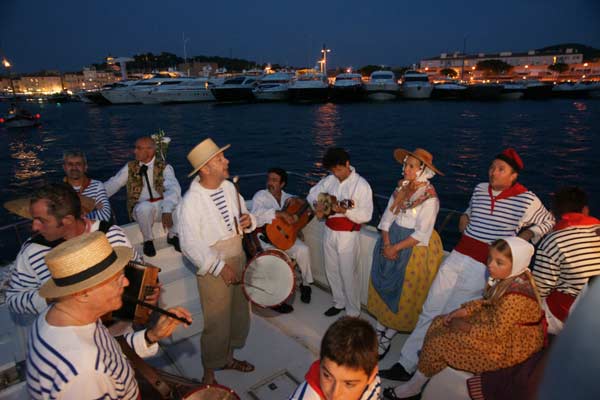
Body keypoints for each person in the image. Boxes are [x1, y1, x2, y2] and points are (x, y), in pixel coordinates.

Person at [380, 148, 554, 381]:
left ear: (513, 176)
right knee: (431, 307)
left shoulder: (527, 198)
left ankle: (425, 366)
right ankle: (406, 362)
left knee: (449, 314)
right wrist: (465, 215)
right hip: (459, 254)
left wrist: (525, 237)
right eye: (492, 167)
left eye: (501, 169)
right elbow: (472, 209)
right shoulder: (480, 188)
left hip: (484, 264)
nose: (493, 172)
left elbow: (548, 221)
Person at [26, 231, 192, 400]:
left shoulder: (58, 315)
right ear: (83, 294)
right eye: (117, 278)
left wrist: (151, 335)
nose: (126, 282)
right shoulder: (84, 373)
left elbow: (110, 355)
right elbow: (96, 365)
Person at [383, 237, 545, 399]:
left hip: (508, 346)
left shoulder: (515, 297)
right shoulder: (508, 280)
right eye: (490, 258)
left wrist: (465, 327)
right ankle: (424, 368)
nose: (490, 264)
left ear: (516, 264)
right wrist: (464, 311)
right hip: (499, 328)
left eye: (499, 262)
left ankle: (414, 387)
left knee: (441, 341)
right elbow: (487, 303)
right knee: (439, 321)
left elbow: (495, 333)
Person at [176, 137, 257, 385]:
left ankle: (229, 359)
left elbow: (245, 215)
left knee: (238, 314)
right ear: (205, 169)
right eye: (220, 159)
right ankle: (209, 374)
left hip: (238, 255)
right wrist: (220, 267)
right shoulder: (190, 202)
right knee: (217, 322)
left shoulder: (230, 188)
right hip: (214, 267)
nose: (227, 161)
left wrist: (249, 221)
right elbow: (189, 244)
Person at [6, 182, 143, 316]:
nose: (34, 227)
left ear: (68, 220)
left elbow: (139, 268)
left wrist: (147, 291)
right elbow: (13, 300)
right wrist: (54, 297)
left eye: (42, 220)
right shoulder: (32, 251)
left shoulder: (111, 234)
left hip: (122, 324)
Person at [368, 148, 444, 360]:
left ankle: (388, 335)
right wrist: (386, 242)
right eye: (406, 165)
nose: (406, 169)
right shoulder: (402, 189)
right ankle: (380, 327)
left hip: (412, 247)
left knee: (403, 292)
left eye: (411, 166)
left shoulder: (429, 198)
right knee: (383, 283)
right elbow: (387, 217)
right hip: (392, 239)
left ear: (423, 171)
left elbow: (422, 233)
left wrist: (395, 247)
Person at [307, 148, 373, 317]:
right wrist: (318, 205)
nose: (336, 174)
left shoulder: (361, 185)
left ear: (347, 164)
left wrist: (345, 212)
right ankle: (339, 302)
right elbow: (312, 194)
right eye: (333, 170)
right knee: (331, 270)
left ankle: (352, 312)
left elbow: (366, 215)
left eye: (339, 169)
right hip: (329, 230)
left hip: (348, 234)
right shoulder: (330, 180)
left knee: (348, 274)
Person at [532, 186, 600, 334]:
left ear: (554, 214)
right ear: (585, 210)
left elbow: (541, 289)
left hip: (574, 315)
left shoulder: (553, 240)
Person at [104, 136, 181, 257]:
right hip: (142, 210)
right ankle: (148, 240)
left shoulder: (164, 168)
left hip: (161, 207)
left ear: (150, 151)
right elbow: (114, 183)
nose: (134, 151)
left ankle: (173, 235)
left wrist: (167, 209)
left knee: (178, 202)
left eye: (138, 148)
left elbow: (173, 188)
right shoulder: (130, 168)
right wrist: (95, 195)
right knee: (144, 207)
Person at [251, 167, 314, 312]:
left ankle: (306, 285)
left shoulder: (288, 198)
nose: (270, 183)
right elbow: (256, 217)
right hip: (265, 240)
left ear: (282, 184)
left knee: (303, 250)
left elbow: (306, 209)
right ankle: (276, 300)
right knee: (276, 260)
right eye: (269, 179)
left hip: (285, 239)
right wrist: (278, 213)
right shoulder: (260, 196)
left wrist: (297, 228)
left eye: (274, 180)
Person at [289, 316, 381, 400]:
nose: (334, 395)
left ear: (371, 376)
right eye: (327, 376)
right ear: (321, 364)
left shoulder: (373, 385)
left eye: (349, 384)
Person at [63, 150, 112, 222]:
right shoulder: (59, 190)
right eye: (70, 164)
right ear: (64, 168)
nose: (74, 168)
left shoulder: (97, 186)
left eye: (78, 164)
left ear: (85, 167)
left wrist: (74, 219)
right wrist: (91, 207)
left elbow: (105, 215)